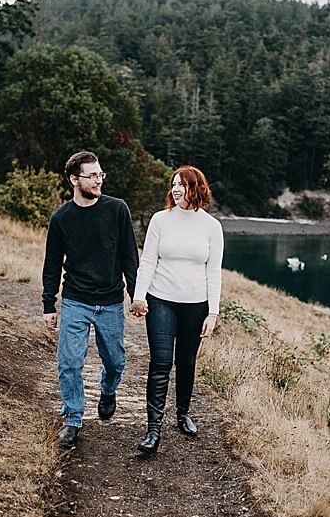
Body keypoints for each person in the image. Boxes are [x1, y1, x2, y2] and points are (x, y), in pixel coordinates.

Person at [42, 151, 140, 447]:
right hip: (75, 300)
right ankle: (73, 419)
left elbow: (129, 256)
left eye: (100, 175)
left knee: (116, 360)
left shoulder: (117, 210)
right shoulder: (61, 219)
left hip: (110, 302)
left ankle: (108, 390)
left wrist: (136, 295)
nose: (99, 180)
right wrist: (49, 304)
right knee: (69, 362)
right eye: (92, 175)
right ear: (74, 180)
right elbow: (52, 264)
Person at [129, 166, 223, 454]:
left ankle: (182, 414)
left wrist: (213, 312)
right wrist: (138, 296)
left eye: (182, 184)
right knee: (160, 362)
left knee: (186, 363)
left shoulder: (211, 227)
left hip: (196, 306)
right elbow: (148, 262)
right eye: (173, 184)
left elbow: (214, 272)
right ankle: (153, 430)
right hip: (160, 300)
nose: (176, 189)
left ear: (196, 188)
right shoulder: (160, 220)